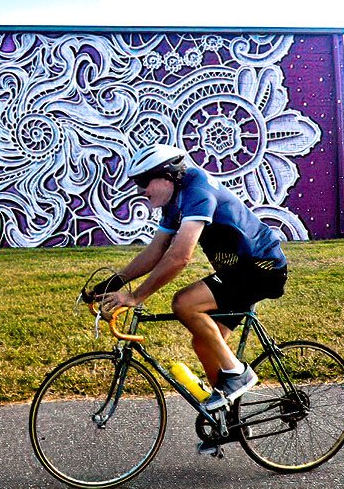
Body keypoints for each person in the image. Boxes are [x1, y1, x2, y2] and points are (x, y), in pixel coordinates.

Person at [88, 143, 289, 450]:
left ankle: (238, 374)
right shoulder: (175, 200)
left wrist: (136, 296)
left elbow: (180, 256)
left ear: (167, 176)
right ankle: (225, 420)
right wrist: (114, 281)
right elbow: (157, 251)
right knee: (203, 339)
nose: (140, 190)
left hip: (261, 267)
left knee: (184, 303)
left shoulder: (197, 192)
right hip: (239, 270)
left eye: (143, 182)